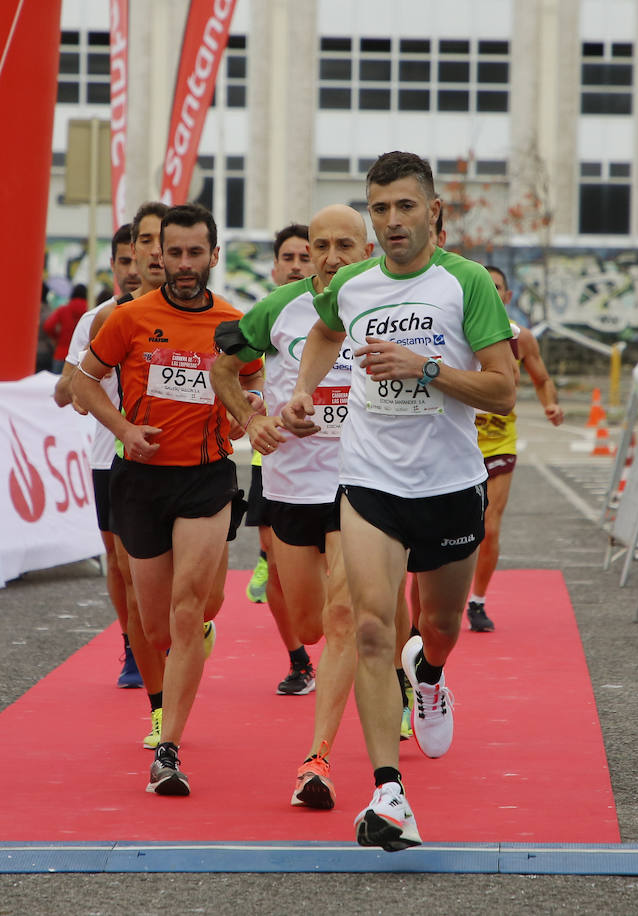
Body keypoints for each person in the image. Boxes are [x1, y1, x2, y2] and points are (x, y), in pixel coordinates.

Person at [284, 151, 514, 849]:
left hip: (447, 485)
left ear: (434, 211)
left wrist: (428, 368)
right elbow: (325, 329)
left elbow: (503, 390)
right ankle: (390, 795)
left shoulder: (465, 283)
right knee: (371, 627)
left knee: (435, 626)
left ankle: (432, 675)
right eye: (380, 209)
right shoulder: (351, 284)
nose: (392, 221)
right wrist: (301, 387)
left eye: (405, 207)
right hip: (370, 481)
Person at [72, 203, 262, 796]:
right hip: (141, 479)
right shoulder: (129, 318)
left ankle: (170, 750)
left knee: (186, 611)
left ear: (212, 256)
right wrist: (125, 430)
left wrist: (239, 420)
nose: (183, 264)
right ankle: (183, 651)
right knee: (154, 627)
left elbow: (251, 382)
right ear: (159, 256)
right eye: (173, 253)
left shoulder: (233, 322)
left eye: (194, 253)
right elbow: (82, 381)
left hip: (205, 479)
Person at [213, 204, 374, 810]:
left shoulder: (385, 301)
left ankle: (318, 759)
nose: (331, 256)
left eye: (344, 245)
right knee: (308, 624)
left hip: (361, 483)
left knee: (342, 619)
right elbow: (222, 368)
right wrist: (253, 420)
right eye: (320, 245)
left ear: (366, 249)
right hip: (288, 485)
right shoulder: (276, 309)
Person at [53, 225, 143, 688]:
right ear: (112, 266)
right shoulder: (94, 319)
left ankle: (167, 633)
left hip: (158, 455)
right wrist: (97, 348)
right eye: (123, 262)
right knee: (118, 559)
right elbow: (64, 395)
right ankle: (132, 646)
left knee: (146, 561)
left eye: (139, 260)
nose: (131, 271)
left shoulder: (165, 314)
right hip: (107, 457)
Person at [466, 266, 564, 631]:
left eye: (497, 288)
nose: (490, 293)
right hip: (458, 444)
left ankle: (477, 601)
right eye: (483, 288)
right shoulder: (456, 329)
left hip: (499, 443)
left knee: (489, 527)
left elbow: (541, 378)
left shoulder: (520, 338)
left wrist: (550, 404)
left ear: (507, 297)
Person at [244, 223, 317, 698]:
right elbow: (236, 375)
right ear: (274, 267)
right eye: (287, 257)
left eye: (303, 257)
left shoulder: (340, 313)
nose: (295, 264)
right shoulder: (265, 316)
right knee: (273, 560)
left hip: (332, 461)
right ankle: (298, 661)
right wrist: (249, 408)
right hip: (271, 458)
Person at [43, 284, 90, 373]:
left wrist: (56, 337)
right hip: (80, 357)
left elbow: (48, 326)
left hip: (61, 353)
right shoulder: (89, 312)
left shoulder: (63, 310)